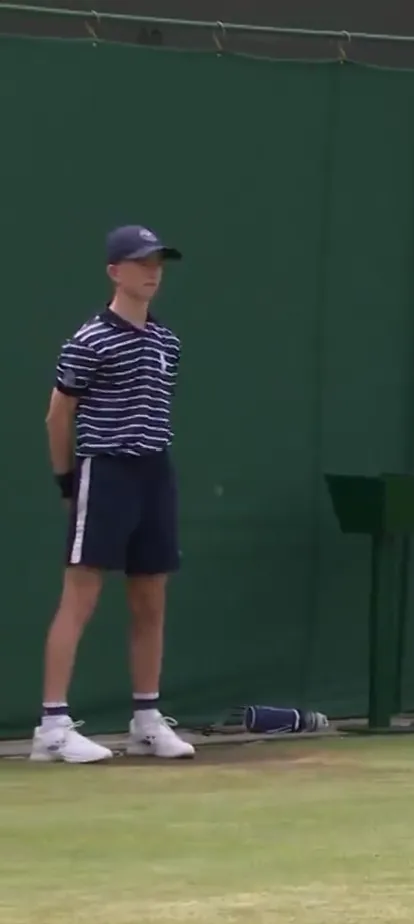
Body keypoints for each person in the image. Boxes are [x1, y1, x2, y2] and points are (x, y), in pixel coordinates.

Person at [32, 226, 197, 765]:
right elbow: (60, 414)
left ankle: (146, 721)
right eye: (141, 262)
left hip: (155, 473)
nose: (152, 272)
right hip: (104, 471)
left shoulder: (167, 341)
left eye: (158, 263)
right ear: (114, 272)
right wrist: (66, 481)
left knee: (151, 599)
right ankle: (52, 728)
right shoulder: (88, 340)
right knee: (80, 596)